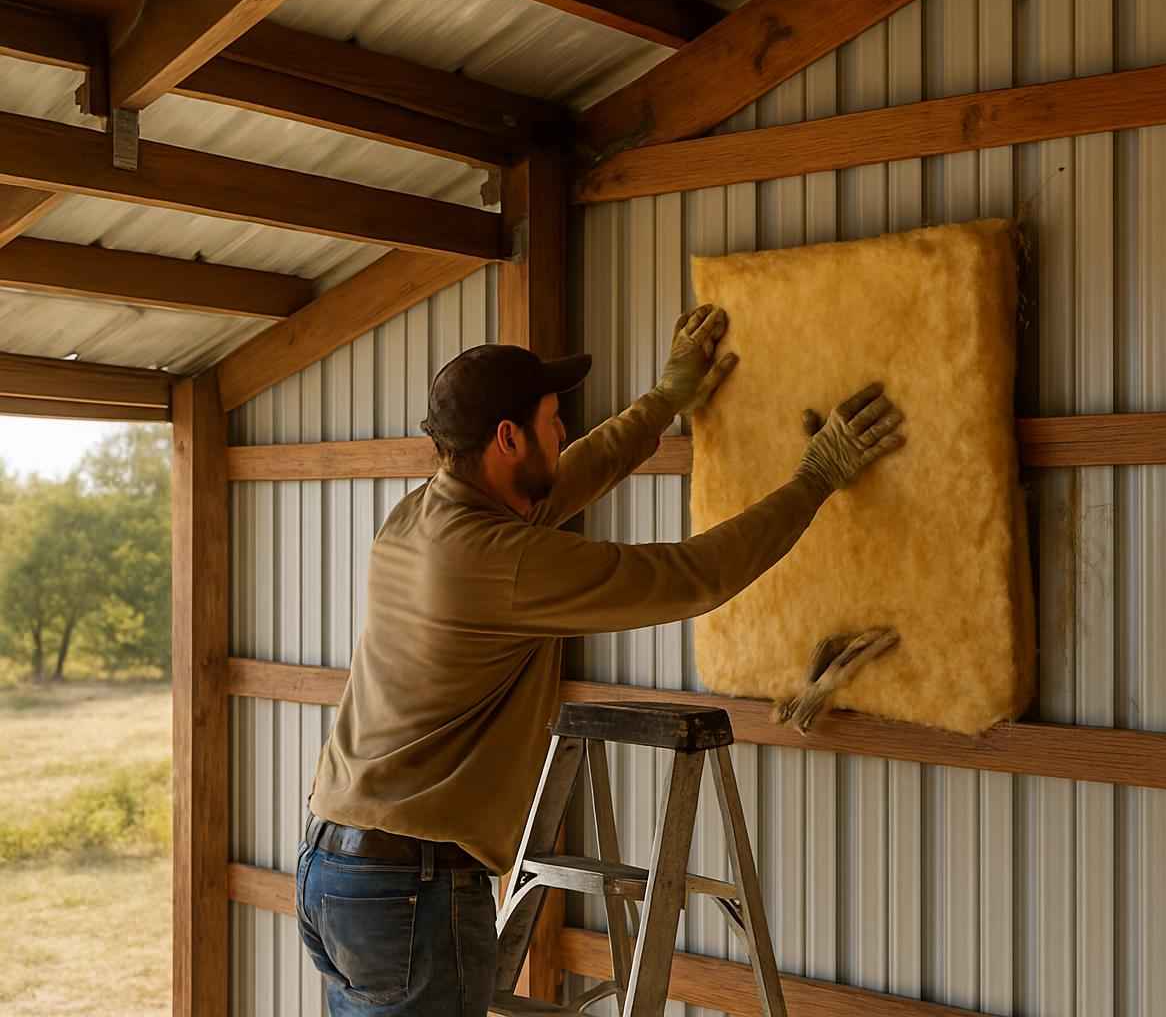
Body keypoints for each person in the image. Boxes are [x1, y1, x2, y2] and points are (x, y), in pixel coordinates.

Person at [292, 304, 907, 1015]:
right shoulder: (498, 563)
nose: (563, 432)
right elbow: (694, 575)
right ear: (507, 438)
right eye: (553, 420)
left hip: (337, 869)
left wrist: (663, 404)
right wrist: (816, 476)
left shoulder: (425, 517)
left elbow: (569, 477)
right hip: (410, 887)